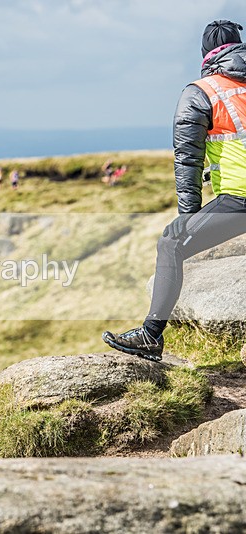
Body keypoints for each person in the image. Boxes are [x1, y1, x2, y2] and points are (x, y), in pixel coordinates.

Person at [103, 20, 246, 361]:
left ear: (205, 54)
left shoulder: (202, 91)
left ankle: (151, 335)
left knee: (171, 244)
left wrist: (189, 217)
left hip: (239, 201)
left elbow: (187, 159)